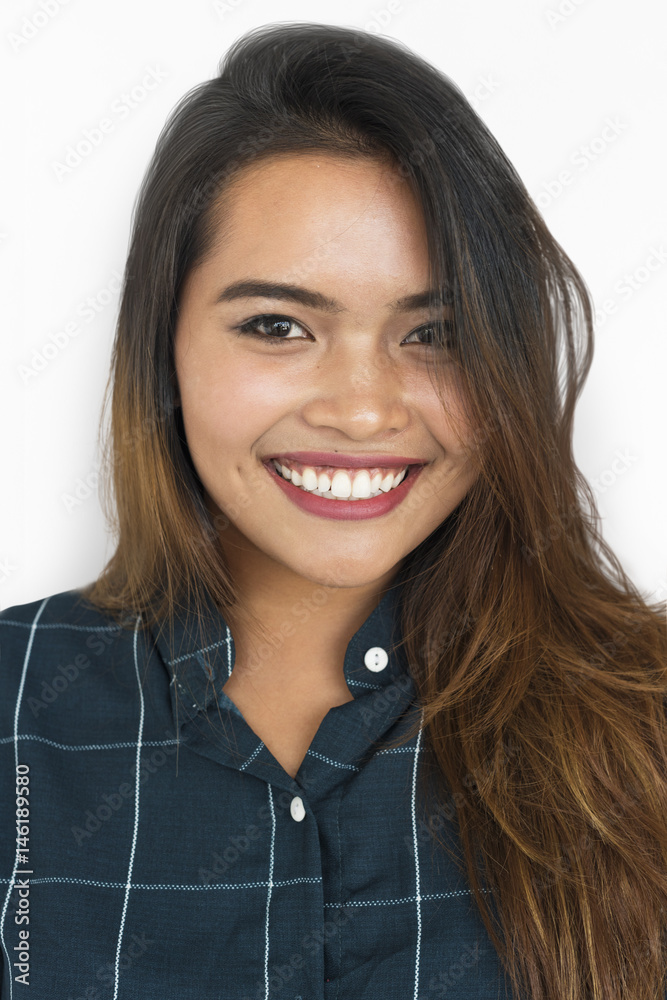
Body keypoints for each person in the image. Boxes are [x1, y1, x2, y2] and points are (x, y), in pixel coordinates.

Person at [1, 21, 665, 1000]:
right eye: (278, 325)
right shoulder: (20, 709)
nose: (362, 408)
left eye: (434, 332)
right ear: (164, 347)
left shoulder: (643, 716)